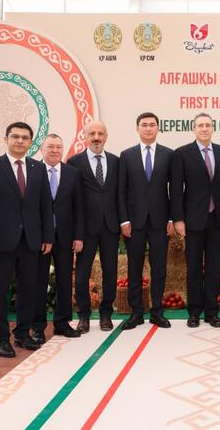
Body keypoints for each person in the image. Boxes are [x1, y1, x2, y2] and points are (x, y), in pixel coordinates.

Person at [0, 122, 53, 357]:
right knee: (0, 292)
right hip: (0, 242)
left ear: (31, 142)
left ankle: (22, 333)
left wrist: (47, 236)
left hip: (31, 240)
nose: (20, 141)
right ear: (6, 139)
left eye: (24, 138)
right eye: (15, 137)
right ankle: (1, 339)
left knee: (29, 289)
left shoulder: (38, 168)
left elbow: (45, 205)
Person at [171, 113, 220, 328]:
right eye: (200, 125)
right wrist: (178, 219)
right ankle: (194, 312)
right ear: (194, 129)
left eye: (208, 125)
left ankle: (211, 312)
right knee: (194, 268)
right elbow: (176, 189)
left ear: (212, 128)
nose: (204, 128)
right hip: (193, 220)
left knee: (214, 268)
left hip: (217, 219)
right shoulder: (182, 153)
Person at [118, 112, 175, 330]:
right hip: (134, 222)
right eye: (144, 125)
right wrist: (124, 220)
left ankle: (157, 311)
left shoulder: (168, 155)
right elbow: (121, 191)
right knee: (134, 268)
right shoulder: (127, 155)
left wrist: (172, 218)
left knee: (159, 268)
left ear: (158, 128)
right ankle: (136, 312)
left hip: (160, 221)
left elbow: (174, 189)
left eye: (152, 125)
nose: (148, 128)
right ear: (137, 128)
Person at [67, 121, 120, 333]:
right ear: (85, 136)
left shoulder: (116, 161)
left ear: (106, 136)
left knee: (110, 273)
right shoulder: (74, 162)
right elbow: (71, 198)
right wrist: (75, 231)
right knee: (81, 275)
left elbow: (120, 194)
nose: (96, 137)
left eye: (100, 133)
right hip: (85, 228)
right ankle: (84, 315)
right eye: (92, 134)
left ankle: (106, 314)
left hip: (110, 226)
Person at [32, 134, 83, 343]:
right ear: (42, 149)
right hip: (40, 238)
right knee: (39, 282)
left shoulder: (72, 173)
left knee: (64, 281)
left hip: (65, 237)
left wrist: (78, 236)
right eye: (50, 147)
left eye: (58, 147)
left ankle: (62, 323)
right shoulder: (33, 171)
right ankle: (38, 327)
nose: (54, 151)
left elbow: (79, 207)